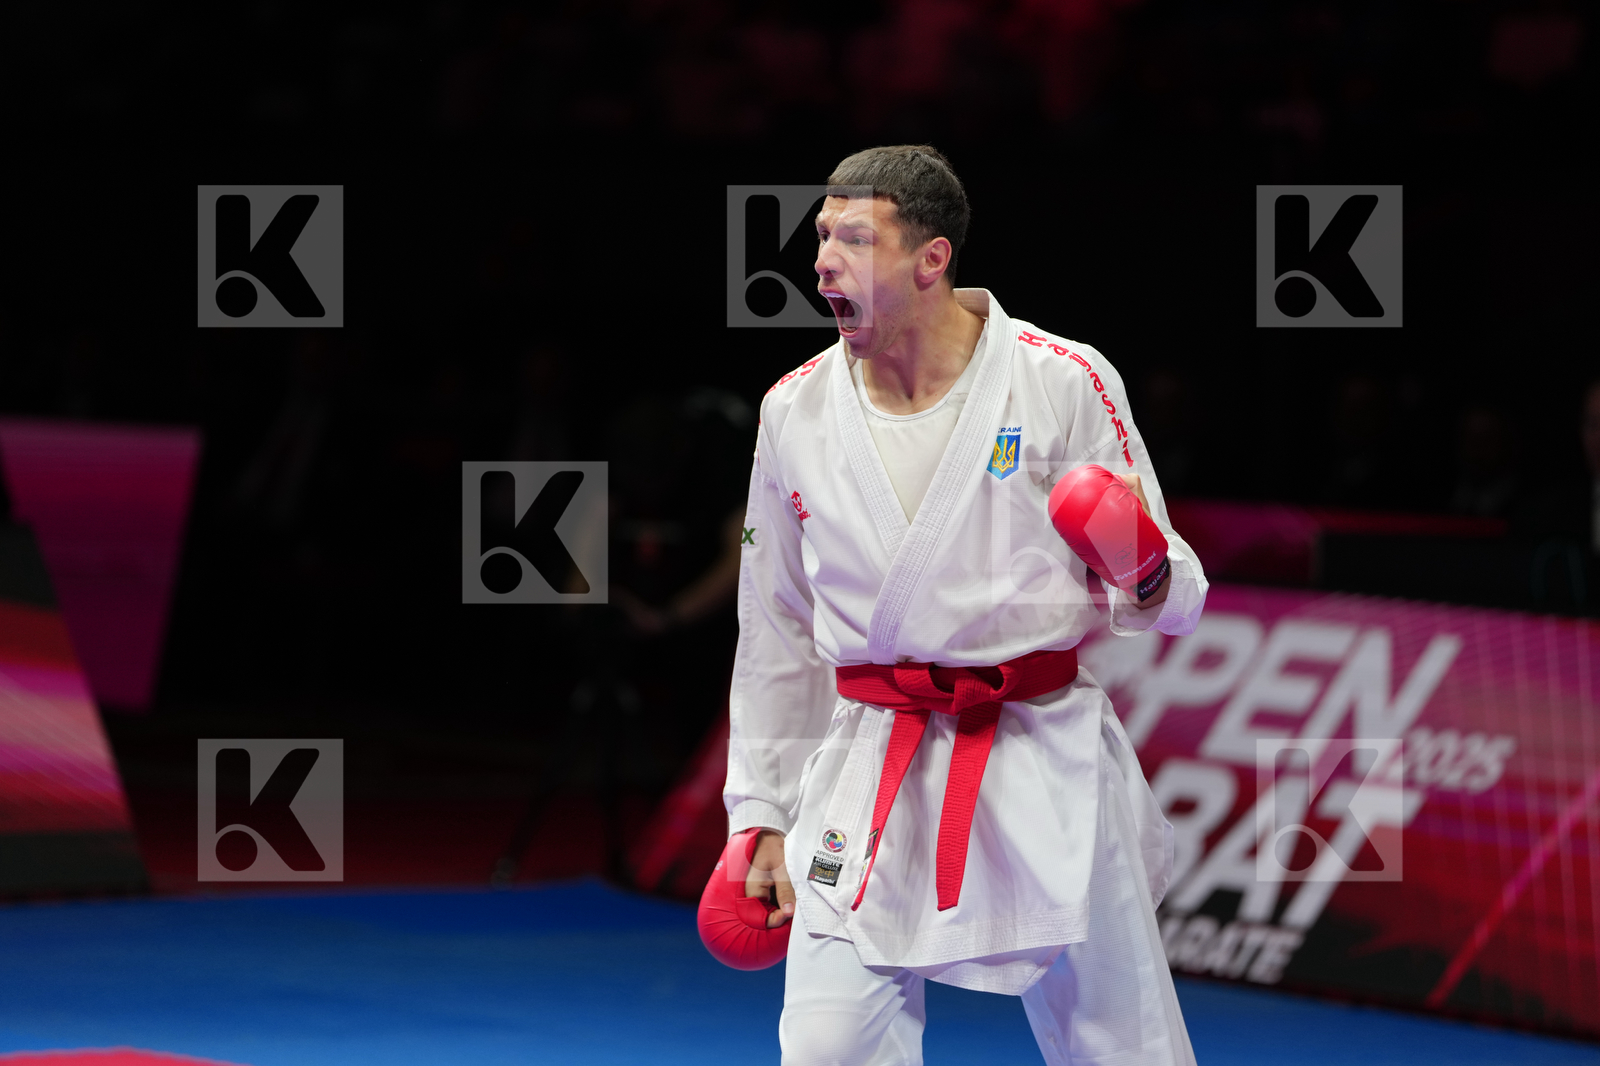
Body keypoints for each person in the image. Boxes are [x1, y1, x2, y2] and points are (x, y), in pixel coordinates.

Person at [724, 145, 1206, 1065]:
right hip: (870, 757)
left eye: (853, 239)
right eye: (821, 236)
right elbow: (775, 625)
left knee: (1123, 1049)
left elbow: (1172, 593)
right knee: (825, 1049)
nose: (821, 259)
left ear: (931, 259)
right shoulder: (793, 409)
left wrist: (1140, 566)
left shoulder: (1061, 378)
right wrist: (761, 812)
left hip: (1041, 751)